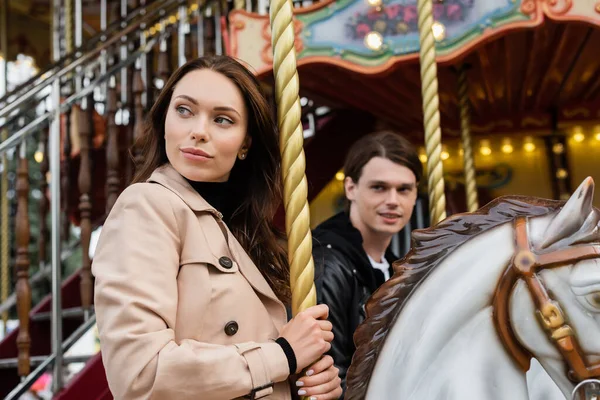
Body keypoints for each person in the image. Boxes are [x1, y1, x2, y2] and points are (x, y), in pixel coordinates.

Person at [92, 55, 342, 400]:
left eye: (222, 119)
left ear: (245, 143)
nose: (198, 131)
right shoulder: (146, 206)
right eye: (184, 110)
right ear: (164, 119)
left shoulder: (243, 230)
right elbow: (140, 374)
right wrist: (282, 354)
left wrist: (306, 380)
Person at [312, 131, 422, 395]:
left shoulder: (395, 266)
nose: (393, 201)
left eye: (404, 189)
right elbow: (332, 374)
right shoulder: (328, 265)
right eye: (379, 187)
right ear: (351, 188)